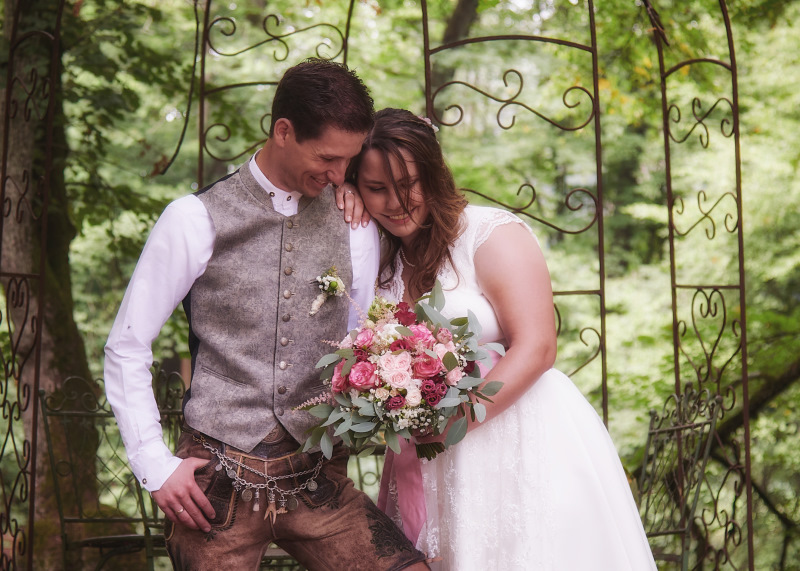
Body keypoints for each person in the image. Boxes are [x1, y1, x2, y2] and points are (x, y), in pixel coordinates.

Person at [104, 62, 429, 570]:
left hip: (318, 479)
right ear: (283, 131)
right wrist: (154, 464)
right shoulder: (193, 219)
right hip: (215, 484)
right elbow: (127, 344)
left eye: (348, 161)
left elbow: (362, 341)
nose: (339, 175)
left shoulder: (355, 225)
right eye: (327, 158)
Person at [343, 108, 657, 570]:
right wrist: (340, 193)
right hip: (425, 454)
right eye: (376, 188)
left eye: (409, 183)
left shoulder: (488, 235)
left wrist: (459, 420)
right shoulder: (377, 257)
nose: (396, 201)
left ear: (433, 173)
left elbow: (538, 345)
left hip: (516, 434)